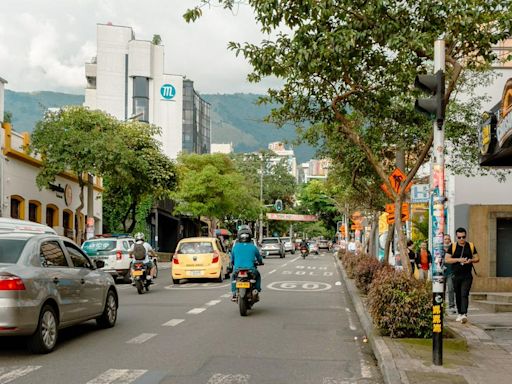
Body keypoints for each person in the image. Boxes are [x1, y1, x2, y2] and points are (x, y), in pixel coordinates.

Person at [445, 227, 479, 324]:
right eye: (459, 237)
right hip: (456, 275)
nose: (461, 239)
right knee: (458, 294)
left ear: (465, 236)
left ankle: (464, 314)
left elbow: (477, 258)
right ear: (456, 237)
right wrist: (458, 260)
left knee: (464, 293)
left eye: (463, 237)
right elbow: (447, 259)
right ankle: (460, 313)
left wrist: (471, 260)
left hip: (467, 275)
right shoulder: (453, 246)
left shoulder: (470, 246)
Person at [230, 228, 263, 301]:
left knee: (233, 277)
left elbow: (232, 260)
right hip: (251, 269)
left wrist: (233, 264)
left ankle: (234, 293)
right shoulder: (253, 247)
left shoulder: (235, 247)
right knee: (258, 275)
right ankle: (256, 290)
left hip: (237, 270)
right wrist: (260, 262)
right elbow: (259, 258)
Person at [443, 234, 456, 314]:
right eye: (445, 239)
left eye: (448, 239)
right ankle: (442, 305)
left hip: (450, 272)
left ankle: (451, 306)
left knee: (451, 289)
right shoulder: (440, 249)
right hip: (441, 272)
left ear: (450, 240)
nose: (447, 240)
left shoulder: (453, 249)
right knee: (442, 290)